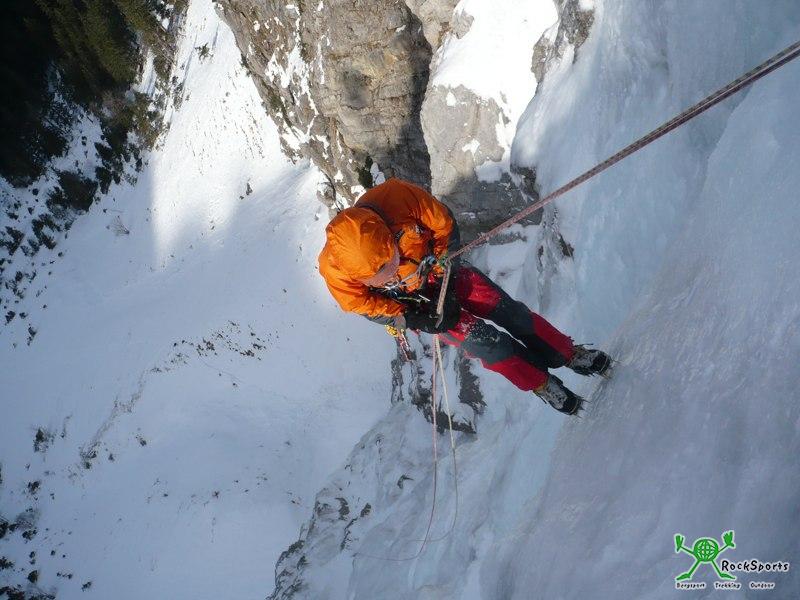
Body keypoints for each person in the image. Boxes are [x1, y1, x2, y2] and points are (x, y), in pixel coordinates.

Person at [318, 178, 611, 415]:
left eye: (391, 261)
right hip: (419, 306)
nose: (392, 272)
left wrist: (443, 267)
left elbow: (443, 224)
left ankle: (569, 354)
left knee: (509, 312)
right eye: (381, 276)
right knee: (489, 346)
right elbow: (365, 305)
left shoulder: (397, 197)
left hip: (443, 272)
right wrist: (413, 318)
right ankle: (542, 384)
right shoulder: (334, 271)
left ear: (386, 235)